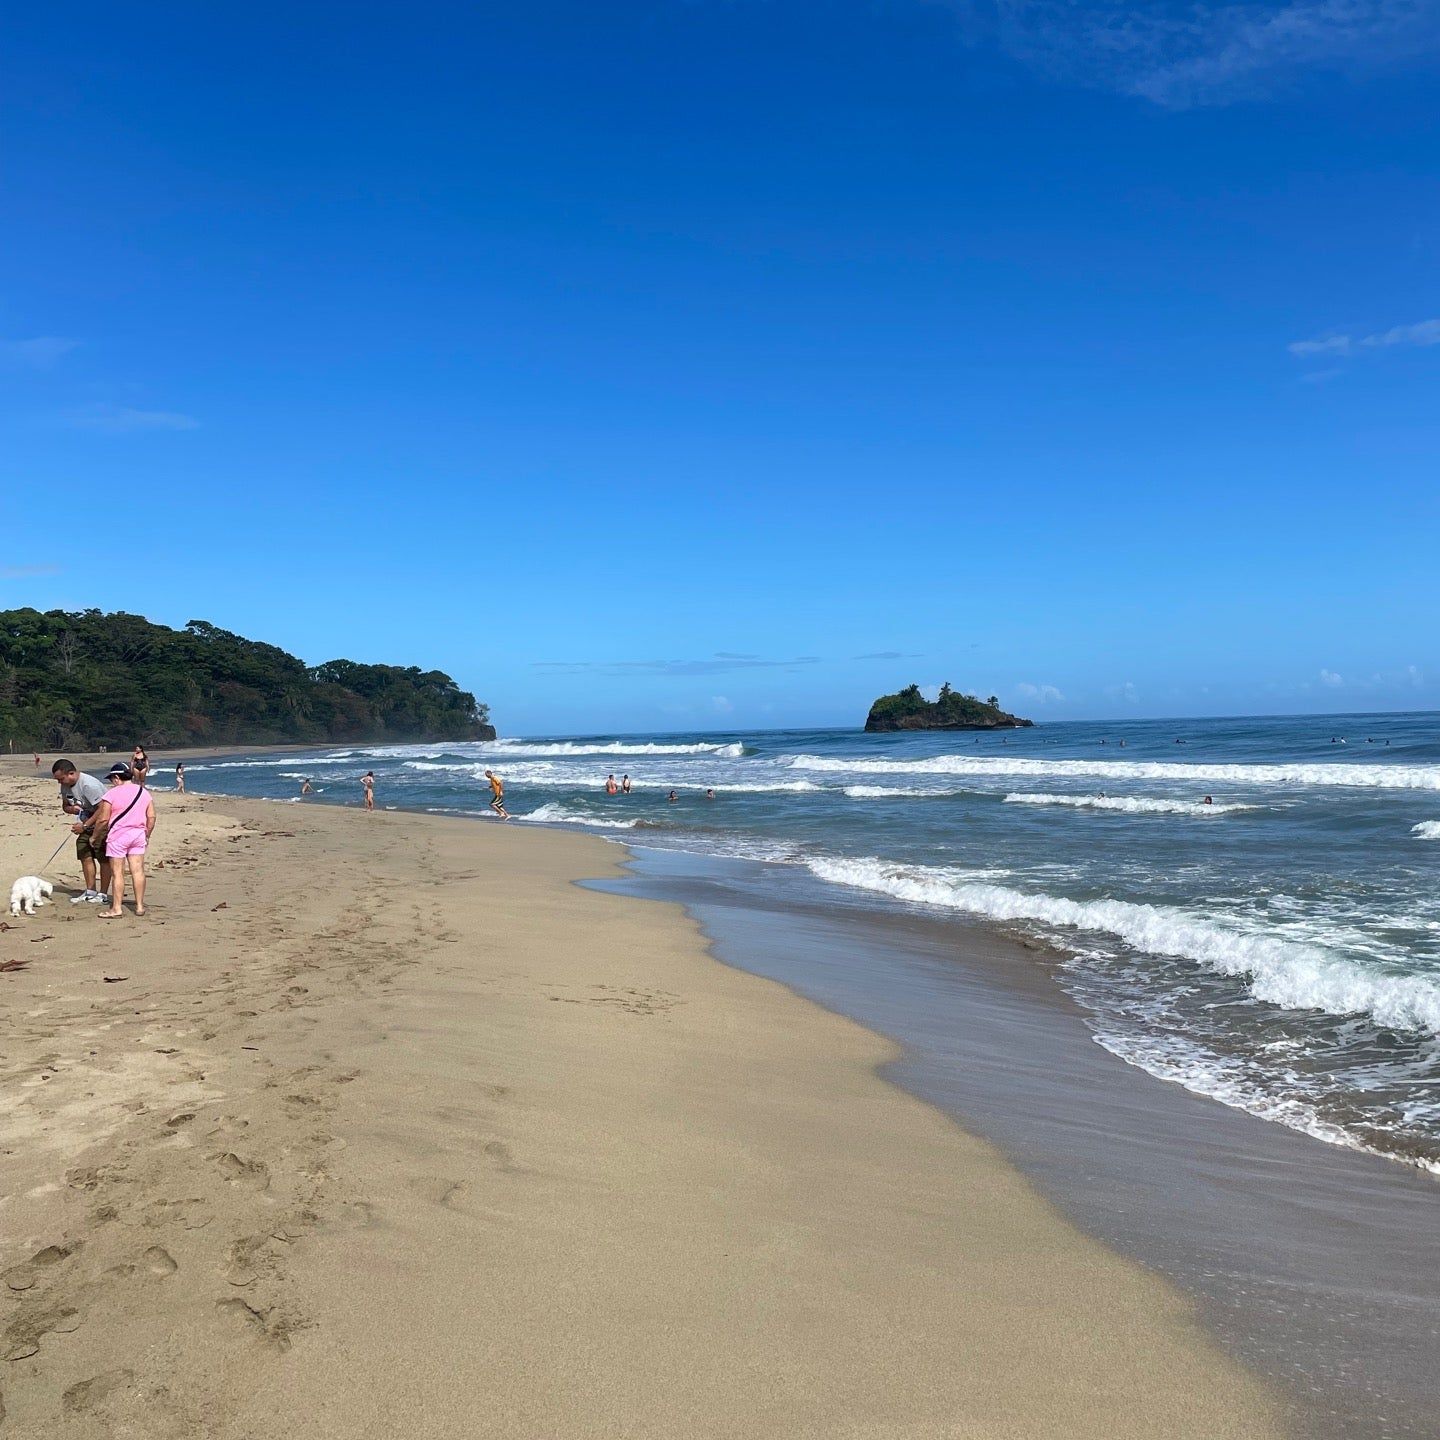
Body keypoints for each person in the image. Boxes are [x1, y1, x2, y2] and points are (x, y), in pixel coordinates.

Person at [94, 762, 155, 919]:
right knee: (138, 871)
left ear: (116, 777)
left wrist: (95, 836)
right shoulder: (143, 792)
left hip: (118, 836)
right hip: (138, 834)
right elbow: (151, 816)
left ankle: (116, 908)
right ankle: (140, 906)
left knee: (117, 873)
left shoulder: (111, 794)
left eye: (112, 779)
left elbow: (103, 819)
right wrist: (147, 833)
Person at [52, 759, 110, 904]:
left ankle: (103, 894)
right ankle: (90, 890)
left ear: (71, 773)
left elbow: (103, 809)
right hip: (85, 822)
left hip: (102, 823)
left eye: (61, 779)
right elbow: (65, 806)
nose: (60, 783)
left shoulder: (88, 785)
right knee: (84, 853)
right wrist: (72, 809)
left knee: (103, 858)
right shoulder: (65, 786)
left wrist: (85, 826)